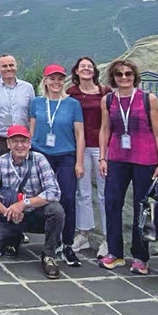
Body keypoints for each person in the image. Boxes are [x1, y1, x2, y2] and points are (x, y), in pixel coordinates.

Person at [98, 59, 158, 275]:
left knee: (142, 208)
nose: (124, 78)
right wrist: (102, 157)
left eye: (128, 74)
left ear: (135, 76)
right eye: (119, 74)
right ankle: (115, 253)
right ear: (113, 77)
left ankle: (140, 256)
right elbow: (105, 129)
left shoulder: (148, 99)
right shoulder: (108, 100)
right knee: (112, 204)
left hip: (144, 159)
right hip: (117, 158)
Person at [0, 125, 66, 279]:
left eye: (23, 141)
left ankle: (49, 255)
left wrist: (23, 204)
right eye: (15, 141)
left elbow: (54, 191)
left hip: (36, 212)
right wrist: (8, 212)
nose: (20, 145)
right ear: (8, 144)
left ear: (29, 143)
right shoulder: (1, 162)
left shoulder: (39, 160)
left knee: (56, 210)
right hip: (11, 215)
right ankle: (15, 237)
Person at [28, 64, 85, 268]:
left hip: (65, 156)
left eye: (60, 79)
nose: (56, 82)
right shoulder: (36, 103)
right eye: (52, 78)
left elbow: (80, 135)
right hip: (41, 155)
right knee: (41, 199)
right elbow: (31, 132)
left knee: (68, 199)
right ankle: (50, 242)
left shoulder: (72, 104)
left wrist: (79, 162)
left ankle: (67, 244)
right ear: (45, 80)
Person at [67, 57, 110, 255]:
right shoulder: (71, 94)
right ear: (76, 71)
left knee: (104, 194)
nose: (86, 69)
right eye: (82, 66)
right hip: (80, 148)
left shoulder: (104, 92)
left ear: (94, 71)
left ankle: (107, 238)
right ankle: (83, 234)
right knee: (82, 192)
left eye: (89, 66)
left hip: (102, 147)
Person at [0, 54, 34, 157]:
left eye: (11, 65)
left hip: (22, 141)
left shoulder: (28, 88)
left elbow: (32, 115)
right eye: (4, 66)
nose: (8, 68)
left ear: (16, 66)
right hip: (0, 141)